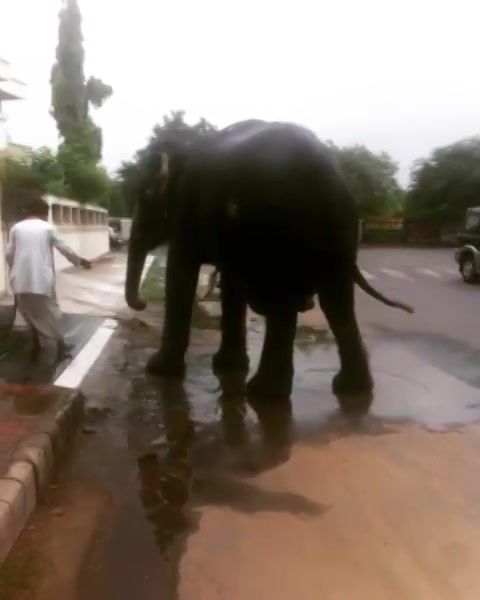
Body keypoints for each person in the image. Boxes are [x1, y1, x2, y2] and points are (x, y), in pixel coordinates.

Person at [6, 196, 92, 364]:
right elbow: (64, 248)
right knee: (50, 314)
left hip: (20, 281)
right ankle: (57, 349)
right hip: (42, 281)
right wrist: (79, 260)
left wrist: (15, 271)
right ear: (42, 212)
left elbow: (10, 254)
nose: (47, 216)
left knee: (29, 314)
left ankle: (38, 345)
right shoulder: (47, 228)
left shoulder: (16, 228)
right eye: (47, 213)